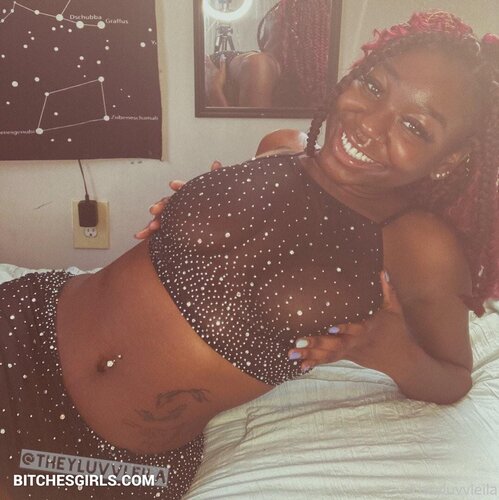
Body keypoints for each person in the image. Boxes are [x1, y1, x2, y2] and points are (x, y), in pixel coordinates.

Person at [2, 10, 499, 500]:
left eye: (414, 126)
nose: (369, 124)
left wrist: (389, 348)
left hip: (111, 454)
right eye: (372, 86)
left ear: (451, 159)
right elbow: (248, 242)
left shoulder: (421, 246)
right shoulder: (280, 147)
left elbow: (452, 378)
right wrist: (192, 207)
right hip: (26, 323)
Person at [205, 0, 331, 107]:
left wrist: (213, 89)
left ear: (290, 27)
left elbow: (248, 127)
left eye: (276, 12)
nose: (269, 15)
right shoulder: (288, 73)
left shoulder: (260, 65)